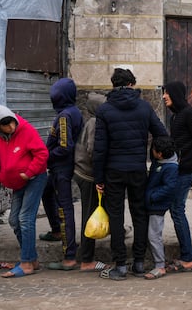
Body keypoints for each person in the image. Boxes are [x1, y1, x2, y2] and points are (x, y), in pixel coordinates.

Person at [93, 68, 168, 281]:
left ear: (113, 84)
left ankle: (120, 265)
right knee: (139, 214)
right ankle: (139, 262)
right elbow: (161, 134)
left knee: (116, 217)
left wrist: (99, 178)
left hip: (113, 172)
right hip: (137, 169)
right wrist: (154, 160)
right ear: (132, 84)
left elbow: (100, 148)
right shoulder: (144, 107)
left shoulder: (104, 110)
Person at [0, 104, 49, 278]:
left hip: (35, 178)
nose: (10, 127)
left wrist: (29, 172)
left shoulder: (26, 130)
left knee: (25, 218)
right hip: (17, 182)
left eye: (12, 123)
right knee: (13, 220)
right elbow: (1, 157)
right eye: (5, 125)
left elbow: (42, 153)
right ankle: (32, 260)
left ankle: (26, 264)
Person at [161, 81, 192, 273]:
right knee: (176, 210)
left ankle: (187, 258)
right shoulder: (176, 116)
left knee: (177, 210)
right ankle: (187, 254)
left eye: (167, 93)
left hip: (186, 172)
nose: (164, 96)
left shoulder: (190, 114)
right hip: (178, 171)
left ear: (176, 94)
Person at [45, 78, 84, 271]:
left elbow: (64, 146)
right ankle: (56, 231)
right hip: (59, 167)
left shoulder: (65, 116)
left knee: (65, 209)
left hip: (61, 167)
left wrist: (46, 156)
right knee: (46, 192)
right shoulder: (72, 112)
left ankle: (69, 256)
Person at [73, 92, 110, 272]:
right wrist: (100, 178)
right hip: (88, 175)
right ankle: (87, 260)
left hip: (84, 172)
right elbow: (94, 152)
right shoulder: (95, 123)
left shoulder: (92, 121)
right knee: (89, 215)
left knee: (94, 211)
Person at [144, 136, 179, 280]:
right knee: (152, 234)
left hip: (157, 205)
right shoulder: (160, 162)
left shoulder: (170, 167)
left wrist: (153, 196)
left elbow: (170, 187)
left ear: (159, 153)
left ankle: (160, 265)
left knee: (154, 235)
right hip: (152, 203)